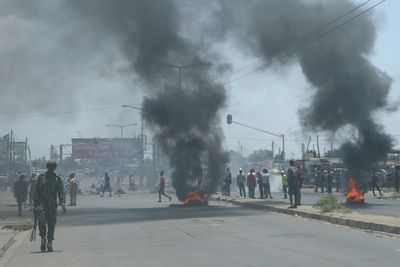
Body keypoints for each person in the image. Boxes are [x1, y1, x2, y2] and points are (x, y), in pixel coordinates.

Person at [34, 161, 66, 252]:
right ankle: (43, 240)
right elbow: (36, 192)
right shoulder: (41, 178)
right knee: (42, 224)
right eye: (50, 166)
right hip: (42, 205)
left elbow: (61, 193)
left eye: (53, 166)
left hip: (52, 206)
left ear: (55, 168)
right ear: (47, 167)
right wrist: (36, 204)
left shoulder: (57, 179)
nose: (51, 168)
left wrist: (63, 204)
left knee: (51, 225)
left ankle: (50, 242)